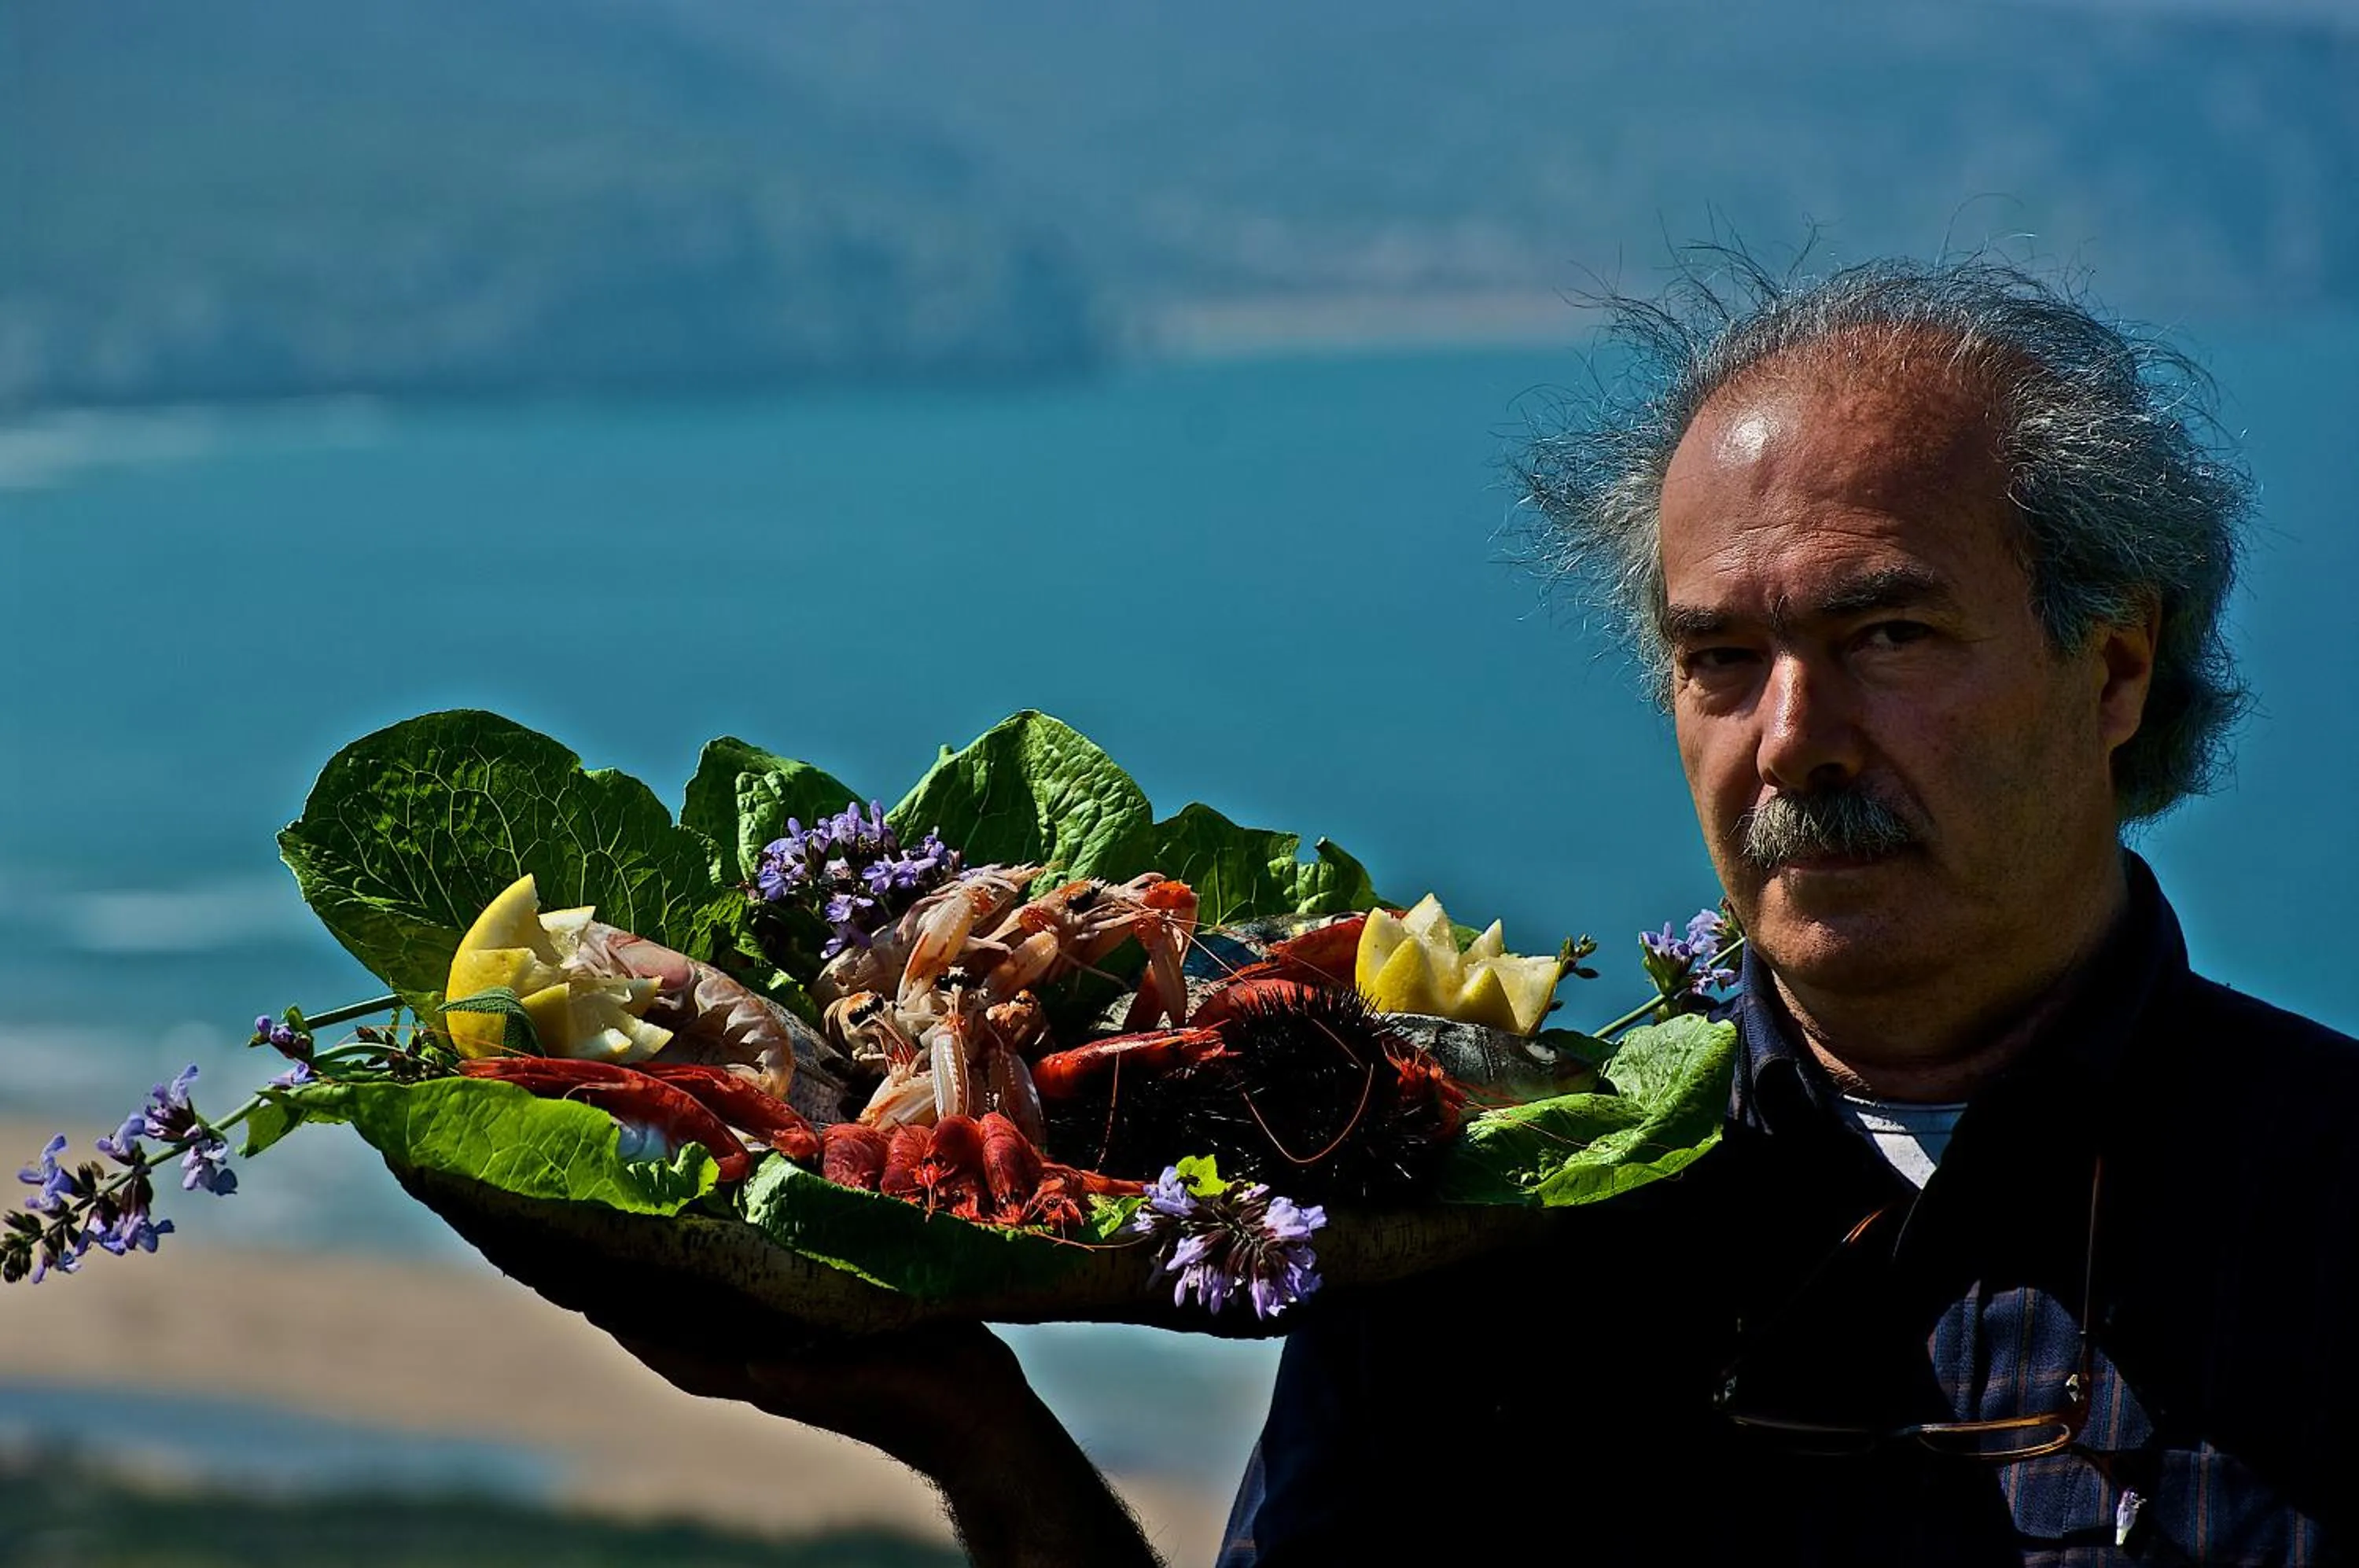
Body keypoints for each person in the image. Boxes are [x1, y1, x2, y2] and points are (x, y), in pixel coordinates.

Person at [459, 257, 2359, 1566]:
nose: (1792, 739)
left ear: (2115, 670)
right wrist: (979, 1436)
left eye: (1888, 635)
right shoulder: (1485, 1202)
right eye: (1720, 659)